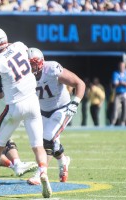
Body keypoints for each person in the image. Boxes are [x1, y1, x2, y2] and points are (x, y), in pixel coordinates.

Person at [0, 28, 52, 198]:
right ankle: (43, 172)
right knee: (38, 145)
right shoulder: (20, 46)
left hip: (15, 106)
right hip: (33, 101)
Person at [26, 48, 85, 185]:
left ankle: (40, 173)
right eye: (28, 63)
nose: (31, 67)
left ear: (41, 62)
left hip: (62, 109)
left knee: (47, 139)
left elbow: (79, 83)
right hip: (42, 111)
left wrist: (75, 102)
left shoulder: (51, 69)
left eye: (34, 63)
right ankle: (63, 161)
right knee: (50, 142)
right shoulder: (25, 75)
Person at [111, 61, 126, 126]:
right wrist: (124, 83)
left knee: (125, 110)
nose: (121, 67)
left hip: (125, 94)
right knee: (115, 109)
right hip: (118, 93)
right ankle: (112, 123)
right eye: (120, 66)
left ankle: (122, 123)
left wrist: (121, 82)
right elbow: (115, 83)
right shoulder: (115, 73)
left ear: (125, 67)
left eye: (123, 66)